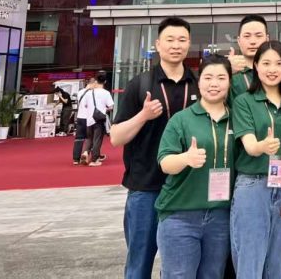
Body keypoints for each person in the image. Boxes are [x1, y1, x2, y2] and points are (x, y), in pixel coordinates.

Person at [110, 17, 198, 279]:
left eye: (182, 40)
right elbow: (116, 137)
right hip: (146, 187)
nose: (176, 46)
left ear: (189, 44)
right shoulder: (141, 84)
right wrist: (143, 116)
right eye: (169, 40)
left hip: (187, 188)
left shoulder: (199, 84)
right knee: (140, 263)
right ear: (158, 44)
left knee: (181, 267)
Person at [231, 41, 281, 279]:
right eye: (265, 63)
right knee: (250, 264)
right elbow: (250, 145)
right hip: (253, 187)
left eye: (278, 63)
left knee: (279, 264)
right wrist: (262, 146)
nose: (272, 69)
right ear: (255, 65)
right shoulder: (245, 101)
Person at [156, 55, 235, 279]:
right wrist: (186, 159)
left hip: (221, 216)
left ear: (229, 82)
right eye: (208, 77)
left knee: (213, 275)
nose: (214, 83)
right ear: (199, 82)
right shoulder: (182, 120)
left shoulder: (239, 119)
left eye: (221, 77)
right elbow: (165, 163)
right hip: (180, 215)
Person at [227, 14, 270, 99]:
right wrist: (226, 70)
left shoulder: (277, 71)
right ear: (239, 41)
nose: (253, 41)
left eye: (258, 36)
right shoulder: (231, 74)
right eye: (247, 36)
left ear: (267, 39)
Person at [78, 71, 114, 166]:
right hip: (99, 119)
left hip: (89, 118)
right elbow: (111, 106)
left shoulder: (89, 93)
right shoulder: (106, 93)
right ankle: (94, 160)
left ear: (96, 81)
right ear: (105, 81)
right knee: (97, 139)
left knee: (89, 138)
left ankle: (85, 152)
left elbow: (85, 105)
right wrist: (104, 109)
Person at [72, 76, 95, 165]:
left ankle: (75, 158)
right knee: (91, 138)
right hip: (89, 118)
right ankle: (89, 155)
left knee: (78, 138)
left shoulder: (80, 92)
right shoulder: (92, 93)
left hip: (80, 117)